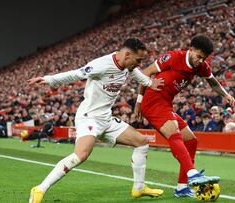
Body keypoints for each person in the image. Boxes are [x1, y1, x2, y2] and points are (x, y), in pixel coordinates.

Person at [28, 38, 165, 203]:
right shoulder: (102, 64)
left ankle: (139, 188)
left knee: (142, 142)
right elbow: (76, 73)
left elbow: (135, 73)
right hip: (89, 117)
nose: (139, 64)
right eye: (138, 60)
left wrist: (150, 82)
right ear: (127, 54)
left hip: (106, 119)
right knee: (81, 155)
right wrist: (49, 79)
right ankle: (40, 189)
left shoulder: (128, 66)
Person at [135, 35, 235, 198]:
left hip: (166, 104)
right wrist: (139, 102)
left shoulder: (200, 66)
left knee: (191, 140)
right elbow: (145, 73)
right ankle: (192, 174)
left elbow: (213, 82)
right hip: (153, 102)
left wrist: (226, 95)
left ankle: (182, 188)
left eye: (203, 58)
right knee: (175, 133)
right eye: (199, 57)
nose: (200, 61)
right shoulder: (173, 57)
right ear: (191, 49)